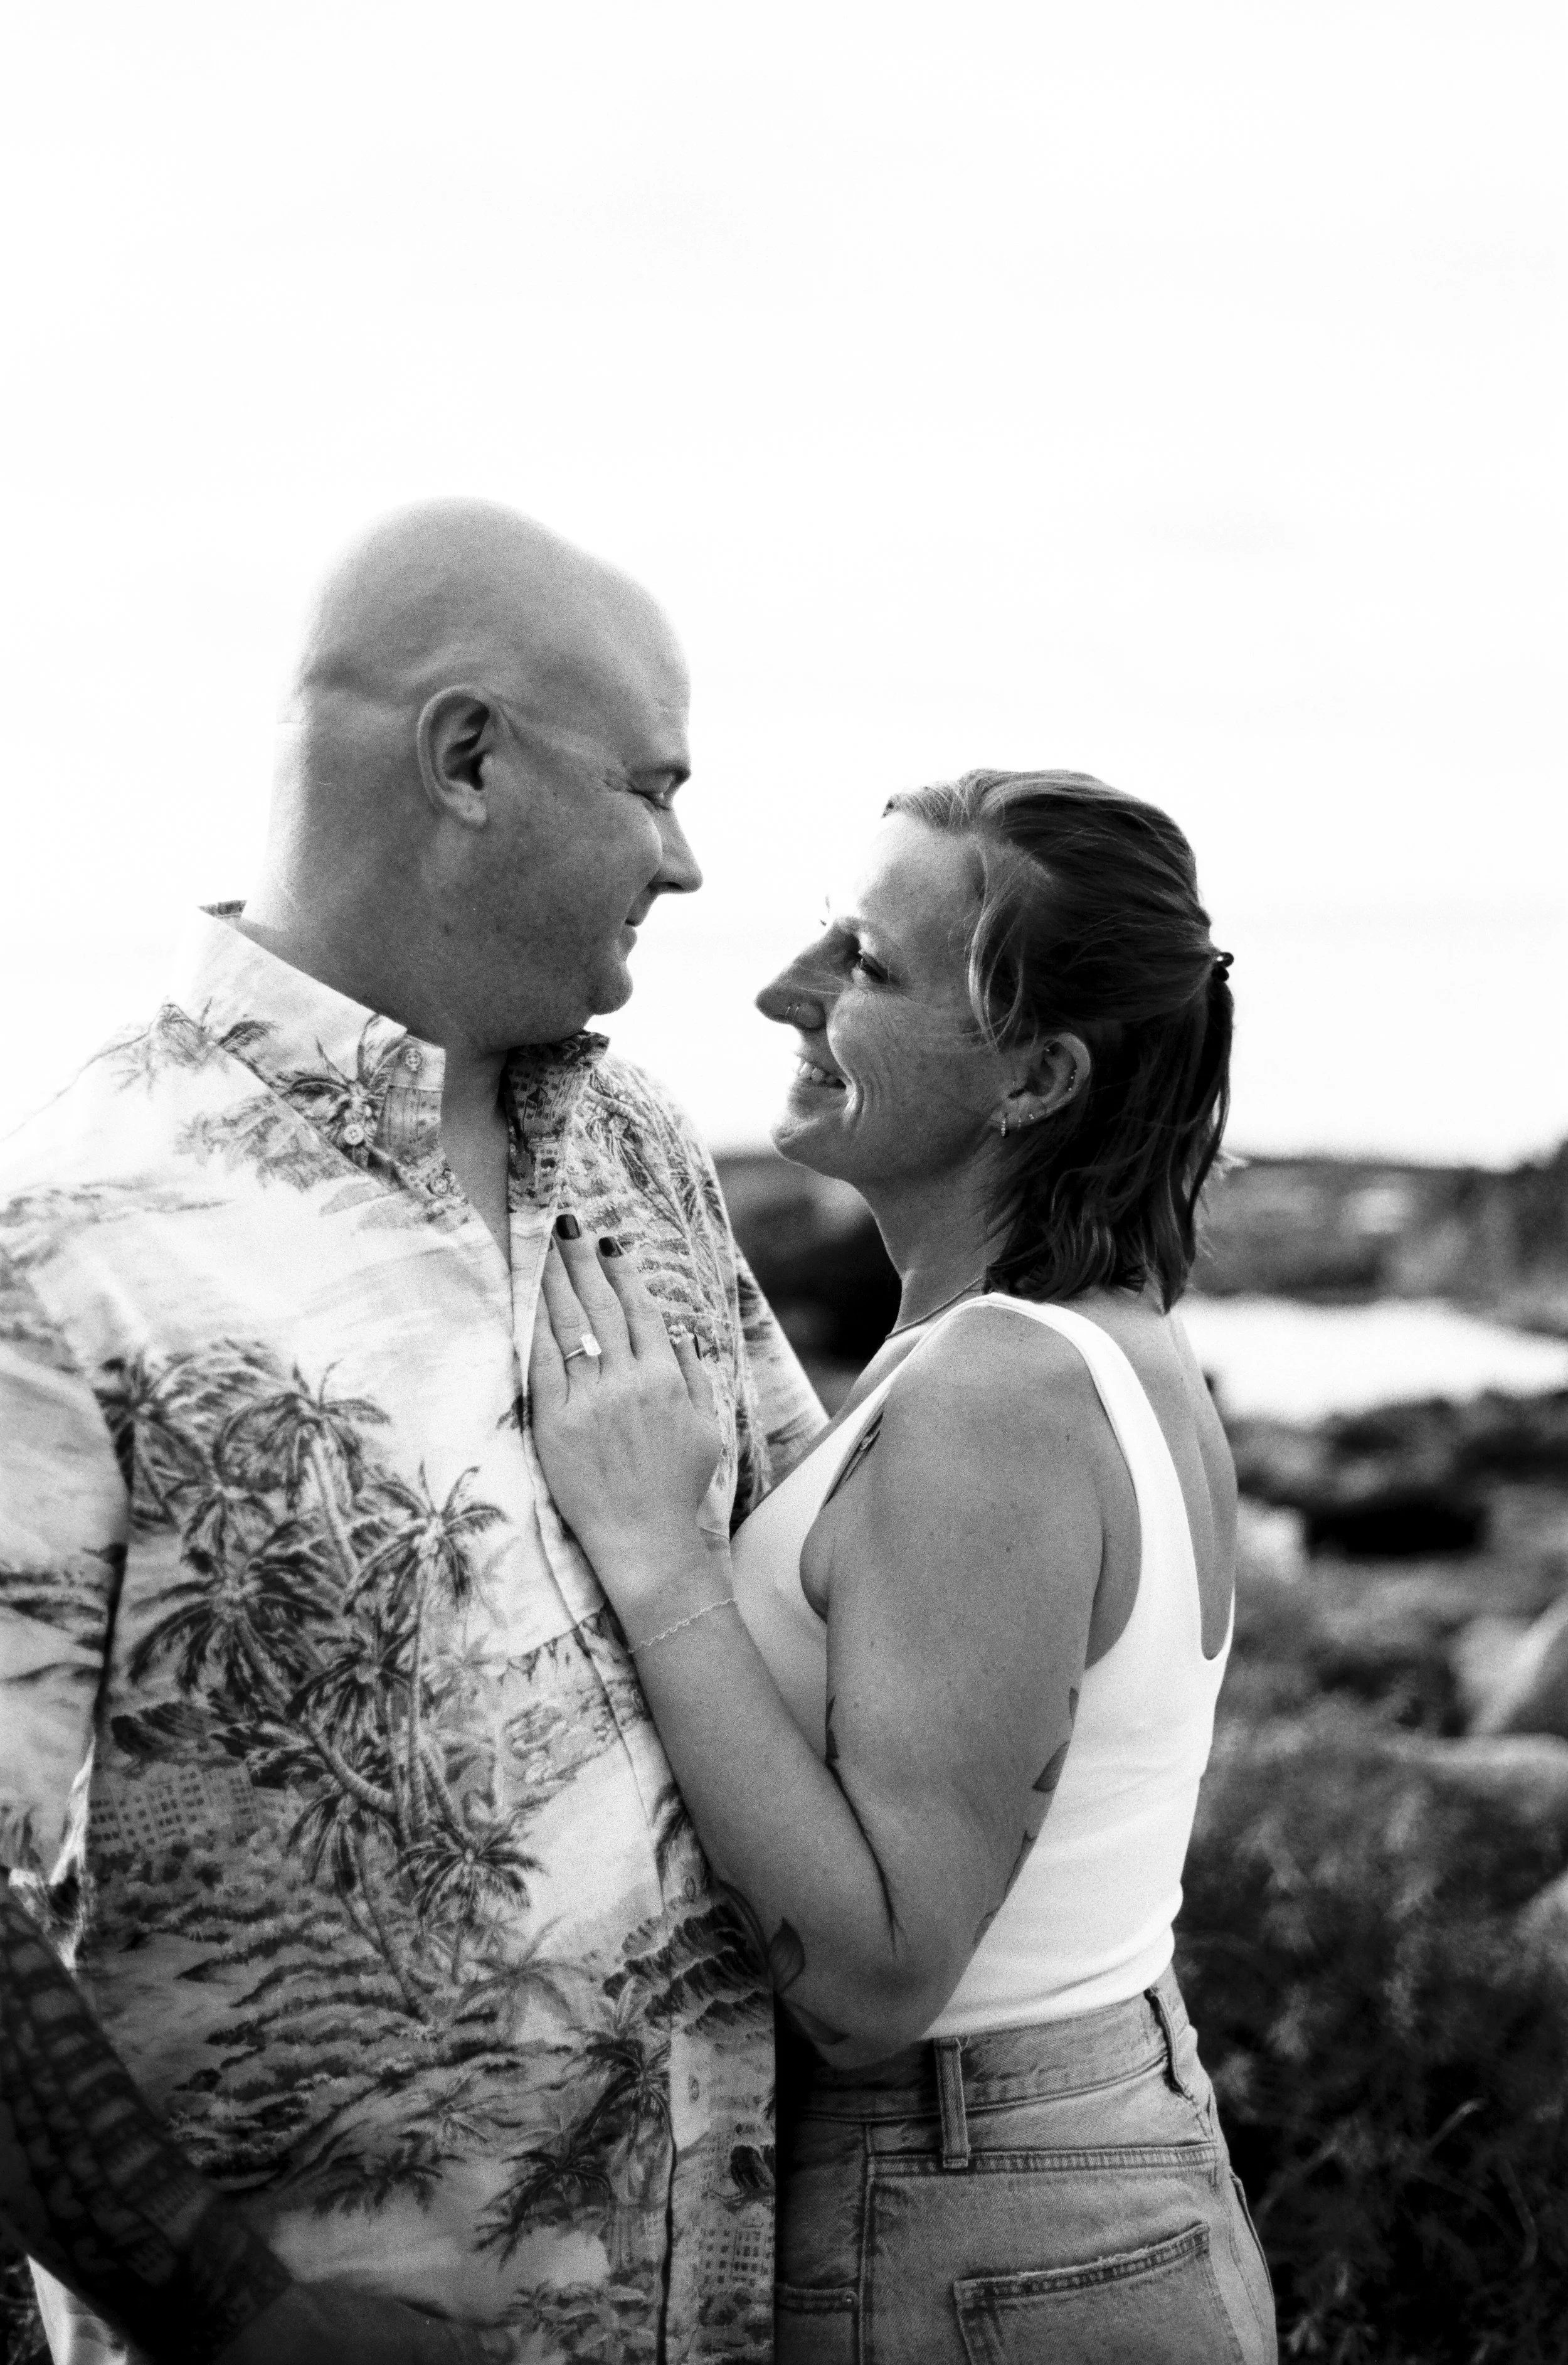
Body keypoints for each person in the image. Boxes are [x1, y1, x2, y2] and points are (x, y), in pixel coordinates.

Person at [0, 500, 822, 2365]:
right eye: (655, 786)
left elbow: (806, 1589)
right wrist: (238, 2317)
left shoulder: (634, 1149)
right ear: (466, 758)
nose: (686, 862)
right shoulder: (65, 1241)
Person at [528, 770, 1279, 2362]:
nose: (778, 990)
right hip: (1062, 2176)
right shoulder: (1104, 1347)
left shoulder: (992, 1395)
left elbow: (874, 1976)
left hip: (960, 2214)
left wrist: (659, 1554)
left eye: (863, 965)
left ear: (1036, 1075)